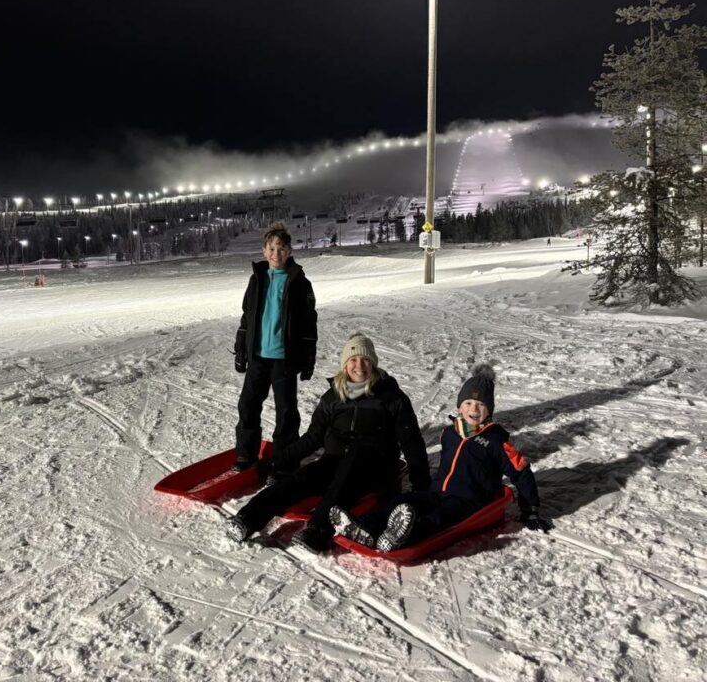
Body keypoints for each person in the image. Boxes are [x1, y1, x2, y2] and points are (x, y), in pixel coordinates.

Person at [226, 332, 431, 552]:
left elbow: (411, 442)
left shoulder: (392, 398)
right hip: (334, 462)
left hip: (374, 469)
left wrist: (421, 484)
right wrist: (275, 461)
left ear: (373, 363)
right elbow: (313, 438)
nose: (359, 366)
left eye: (365, 360)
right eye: (353, 360)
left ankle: (317, 530)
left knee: (350, 467)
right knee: (299, 479)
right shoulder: (333, 397)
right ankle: (247, 519)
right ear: (345, 364)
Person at [329, 364, 552, 553]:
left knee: (439, 518)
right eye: (468, 403)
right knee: (403, 502)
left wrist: (530, 509)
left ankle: (402, 537)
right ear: (459, 406)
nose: (473, 409)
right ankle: (364, 527)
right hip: (437, 491)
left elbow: (521, 472)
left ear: (490, 410)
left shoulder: (496, 441)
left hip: (467, 501)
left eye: (481, 405)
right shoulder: (450, 433)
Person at [232, 222, 317, 471]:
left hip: (284, 358)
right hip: (258, 356)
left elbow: (309, 323)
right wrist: (241, 349)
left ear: (289, 251)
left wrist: (308, 357)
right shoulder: (256, 279)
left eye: (281, 248)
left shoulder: (299, 282)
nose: (276, 253)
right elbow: (247, 316)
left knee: (286, 412)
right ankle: (246, 455)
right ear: (264, 251)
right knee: (247, 405)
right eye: (271, 248)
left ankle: (284, 459)